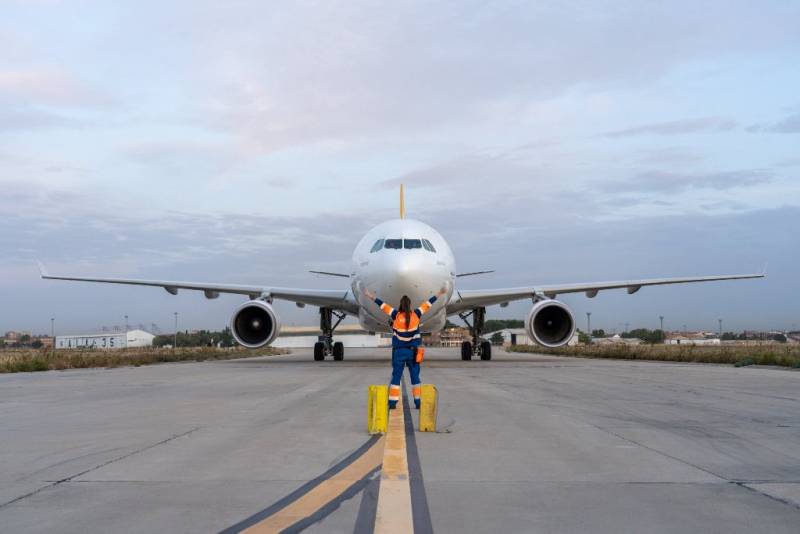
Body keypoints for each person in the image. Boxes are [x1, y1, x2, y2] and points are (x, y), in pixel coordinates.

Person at [363, 286, 447, 409]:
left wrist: (370, 295)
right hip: (413, 352)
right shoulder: (416, 314)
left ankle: (392, 402)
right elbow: (429, 304)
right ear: (410, 305)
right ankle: (418, 402)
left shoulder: (395, 315)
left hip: (399, 352)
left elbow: (382, 305)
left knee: (396, 377)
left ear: (400, 305)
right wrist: (440, 292)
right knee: (415, 378)